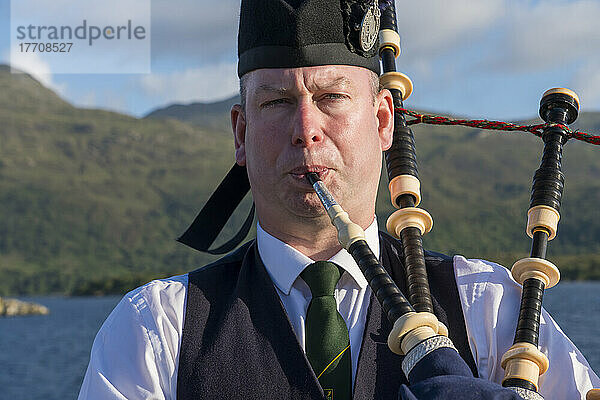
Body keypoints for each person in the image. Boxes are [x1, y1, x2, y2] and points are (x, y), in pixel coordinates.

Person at [78, 0, 600, 399]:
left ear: (381, 120)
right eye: (277, 101)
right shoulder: (154, 330)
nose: (306, 130)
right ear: (240, 134)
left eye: (330, 98)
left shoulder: (488, 307)